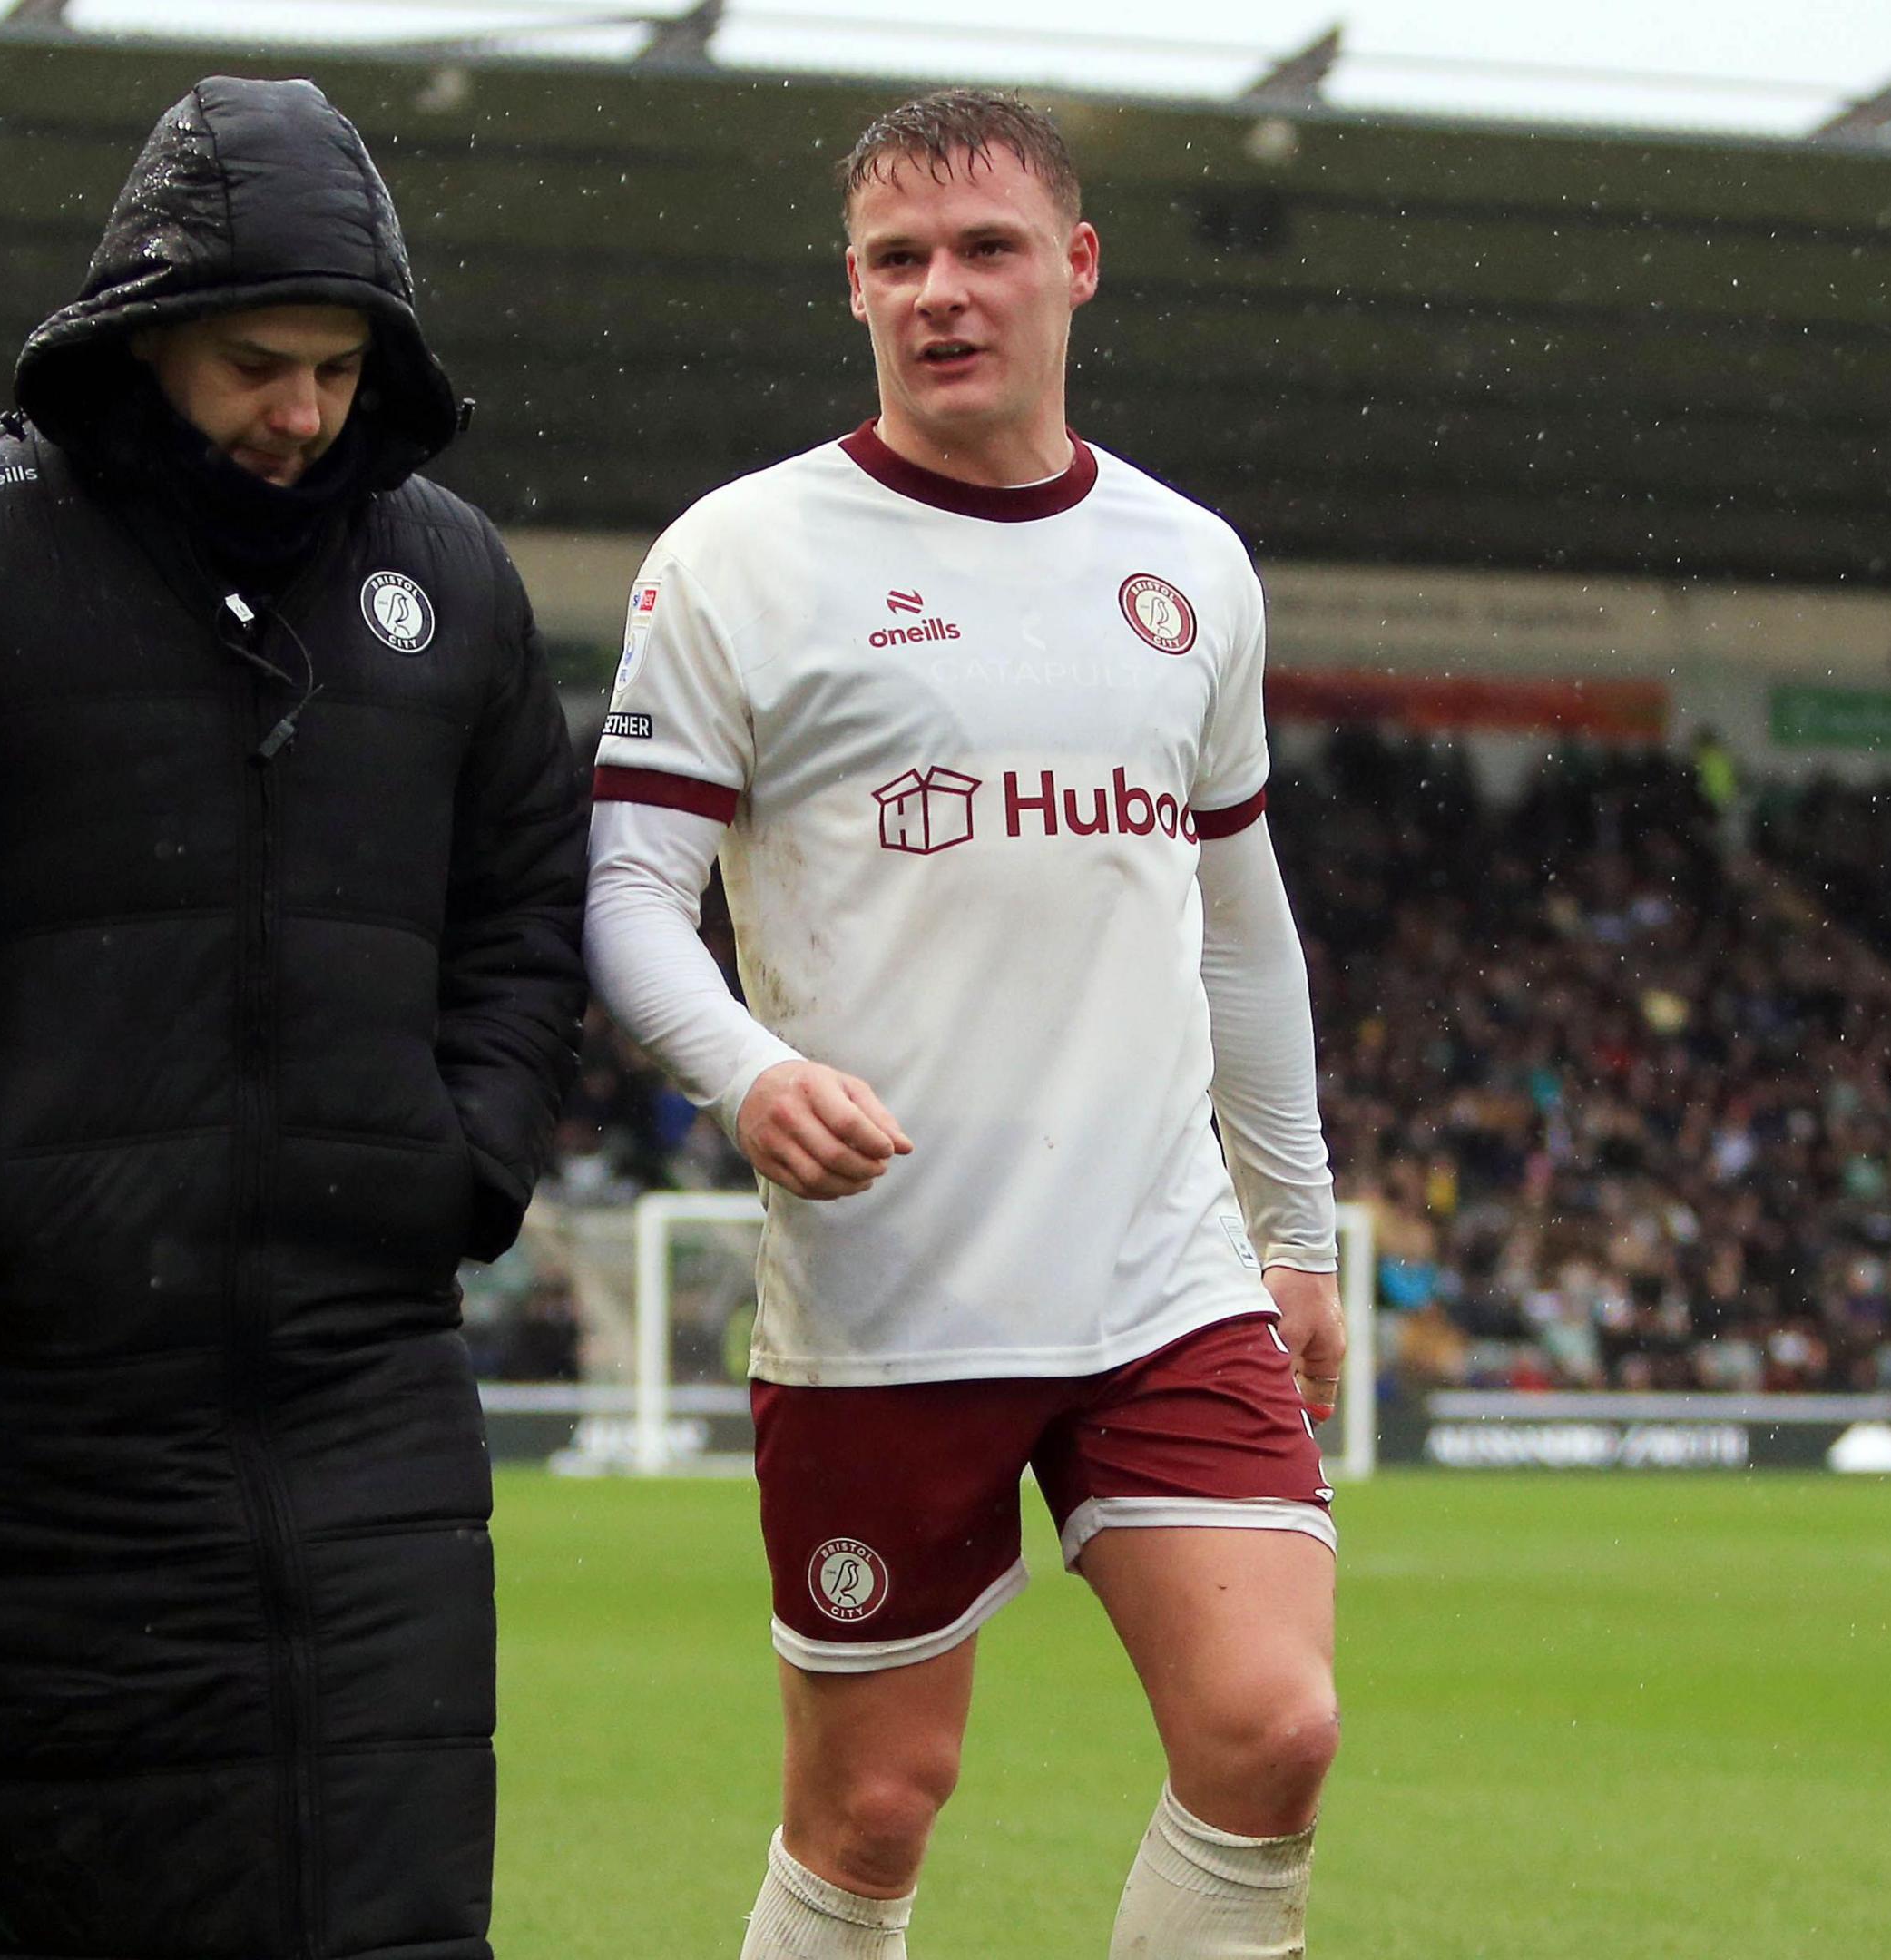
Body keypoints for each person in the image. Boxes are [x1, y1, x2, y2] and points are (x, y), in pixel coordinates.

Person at [0, 78, 585, 1960]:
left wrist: (463, 1159)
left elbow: (527, 914)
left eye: (338, 366)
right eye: (257, 361)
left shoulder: (455, 585)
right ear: (144, 329)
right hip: (25, 1416)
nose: (303, 411)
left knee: (390, 1922)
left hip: (364, 1403)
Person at [586, 89, 1342, 1959]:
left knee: (1273, 1732)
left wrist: (1299, 1231)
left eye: (988, 248)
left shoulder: (1193, 573)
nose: (945, 291)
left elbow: (1240, 925)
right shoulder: (743, 559)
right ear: (851, 291)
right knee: (870, 1812)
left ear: (1076, 267)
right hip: (888, 1292)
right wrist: (750, 1075)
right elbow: (623, 901)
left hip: (1162, 1273)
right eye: (899, 260)